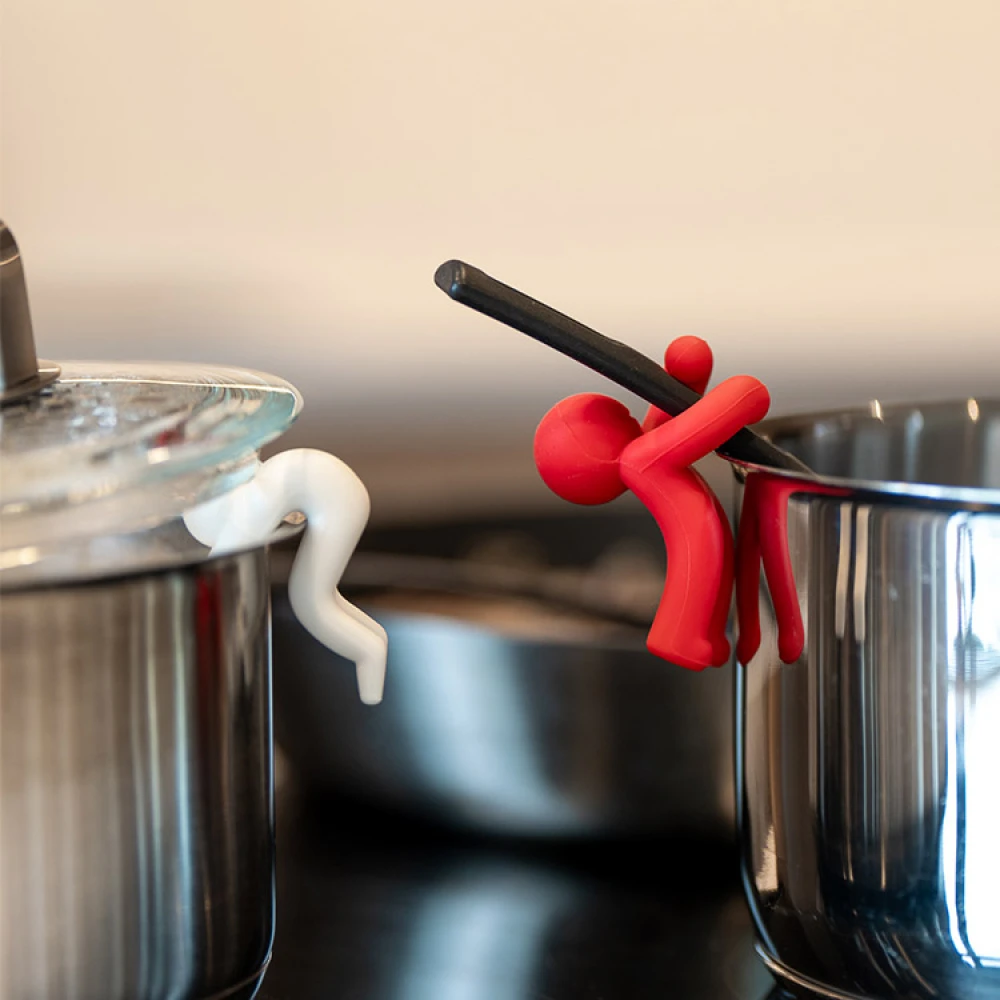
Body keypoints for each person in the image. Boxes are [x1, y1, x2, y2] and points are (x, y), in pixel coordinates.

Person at [533, 336, 770, 670]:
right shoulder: (641, 460)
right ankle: (678, 637)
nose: (629, 415)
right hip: (698, 558)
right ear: (594, 447)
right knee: (700, 566)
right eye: (615, 416)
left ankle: (700, 636)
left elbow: (673, 416)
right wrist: (742, 393)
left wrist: (687, 376)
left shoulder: (641, 453)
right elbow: (731, 405)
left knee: (709, 564)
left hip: (708, 548)